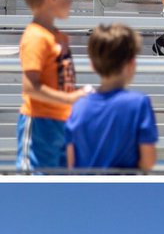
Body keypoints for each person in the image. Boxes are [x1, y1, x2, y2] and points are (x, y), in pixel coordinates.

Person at [15, 0, 87, 172]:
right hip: (39, 124)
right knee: (34, 187)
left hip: (62, 122)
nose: (71, 0)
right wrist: (69, 99)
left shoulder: (59, 37)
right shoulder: (36, 37)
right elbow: (31, 88)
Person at [64, 23, 156, 171]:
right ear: (131, 63)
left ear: (92, 64)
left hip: (86, 191)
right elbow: (148, 161)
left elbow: (70, 161)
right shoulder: (139, 104)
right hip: (124, 191)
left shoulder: (78, 106)